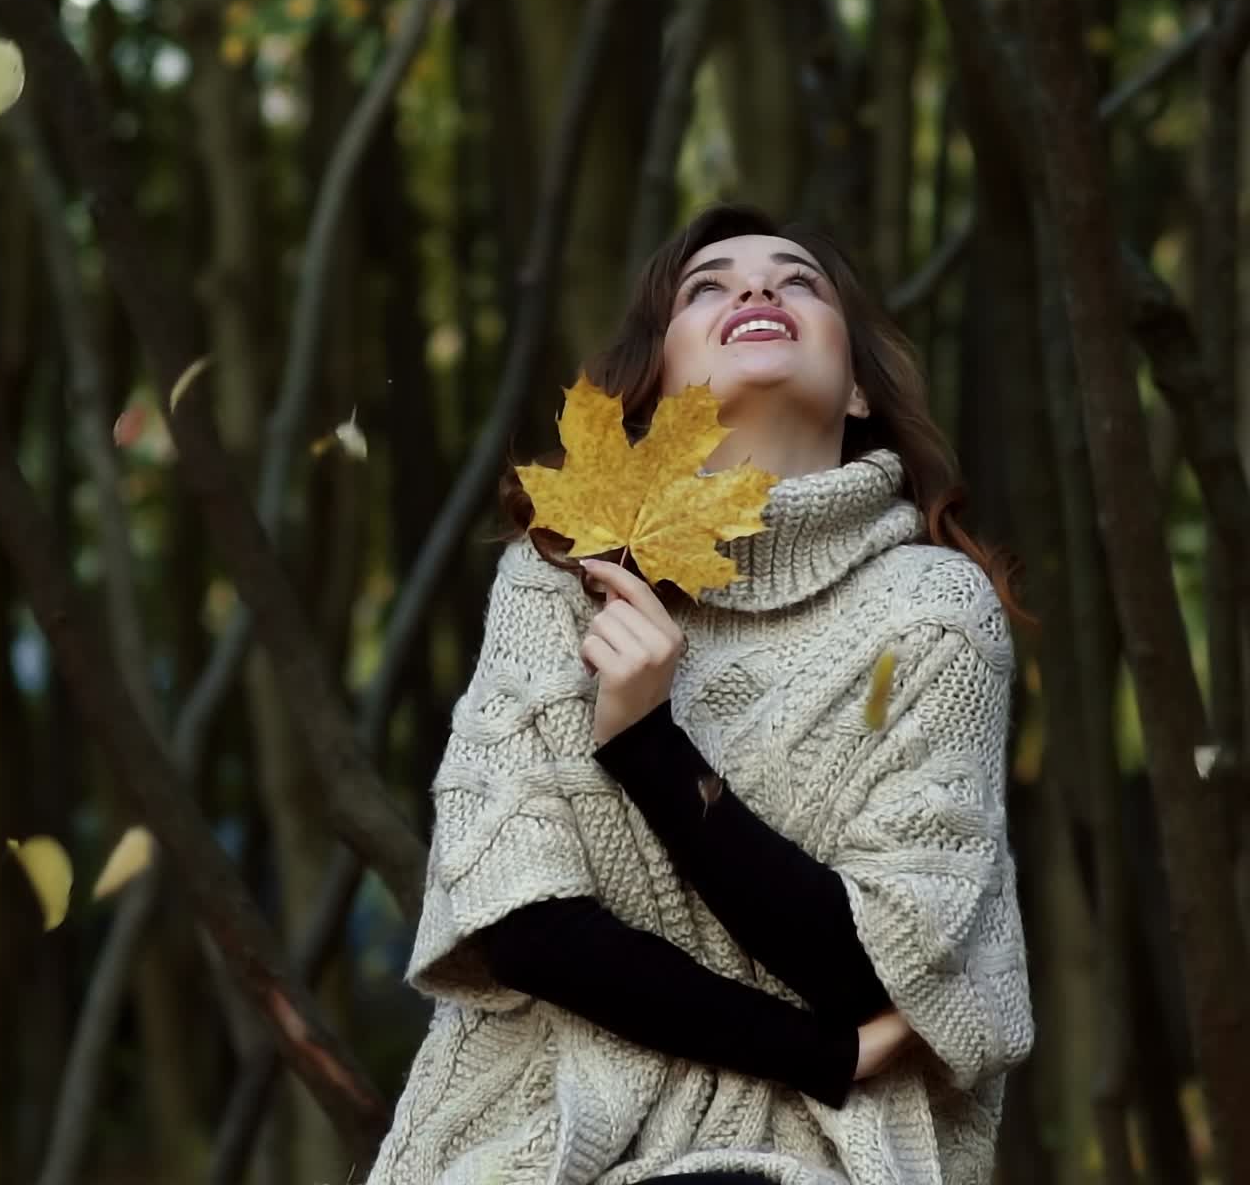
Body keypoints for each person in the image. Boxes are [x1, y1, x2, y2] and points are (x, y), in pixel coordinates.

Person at [364, 204, 1034, 1184]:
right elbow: (521, 924)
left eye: (798, 280)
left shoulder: (934, 611)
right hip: (538, 1121)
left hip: (811, 1147)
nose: (756, 288)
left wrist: (648, 745)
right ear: (657, 386)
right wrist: (824, 1051)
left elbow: (873, 965)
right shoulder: (561, 577)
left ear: (857, 387)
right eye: (706, 287)